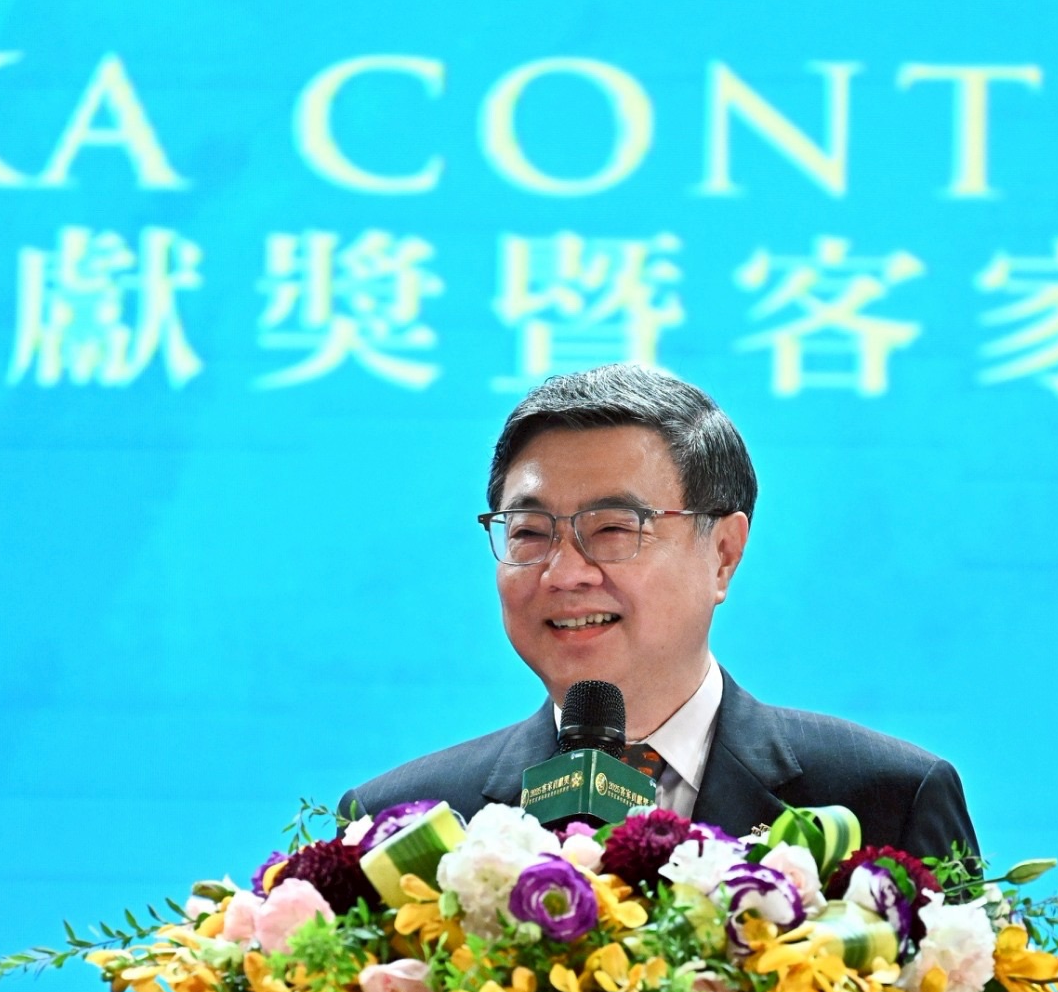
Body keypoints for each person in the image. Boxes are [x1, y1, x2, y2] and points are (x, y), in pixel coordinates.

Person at [341, 363, 977, 862]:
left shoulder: (887, 801)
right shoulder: (398, 827)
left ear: (723, 554)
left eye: (614, 528)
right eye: (530, 533)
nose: (564, 573)